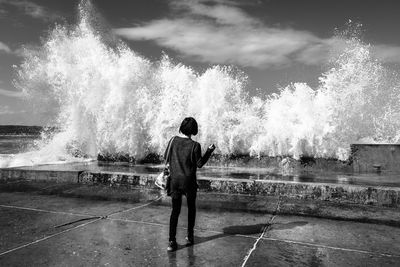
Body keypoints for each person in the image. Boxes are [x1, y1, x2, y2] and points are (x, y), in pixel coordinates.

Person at [164, 117, 215, 252]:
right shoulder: (195, 145)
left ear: (182, 127)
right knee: (191, 208)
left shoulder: (173, 141)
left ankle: (171, 242)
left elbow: (166, 158)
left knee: (175, 211)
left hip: (174, 181)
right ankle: (189, 236)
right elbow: (199, 164)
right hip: (189, 182)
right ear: (194, 130)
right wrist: (209, 151)